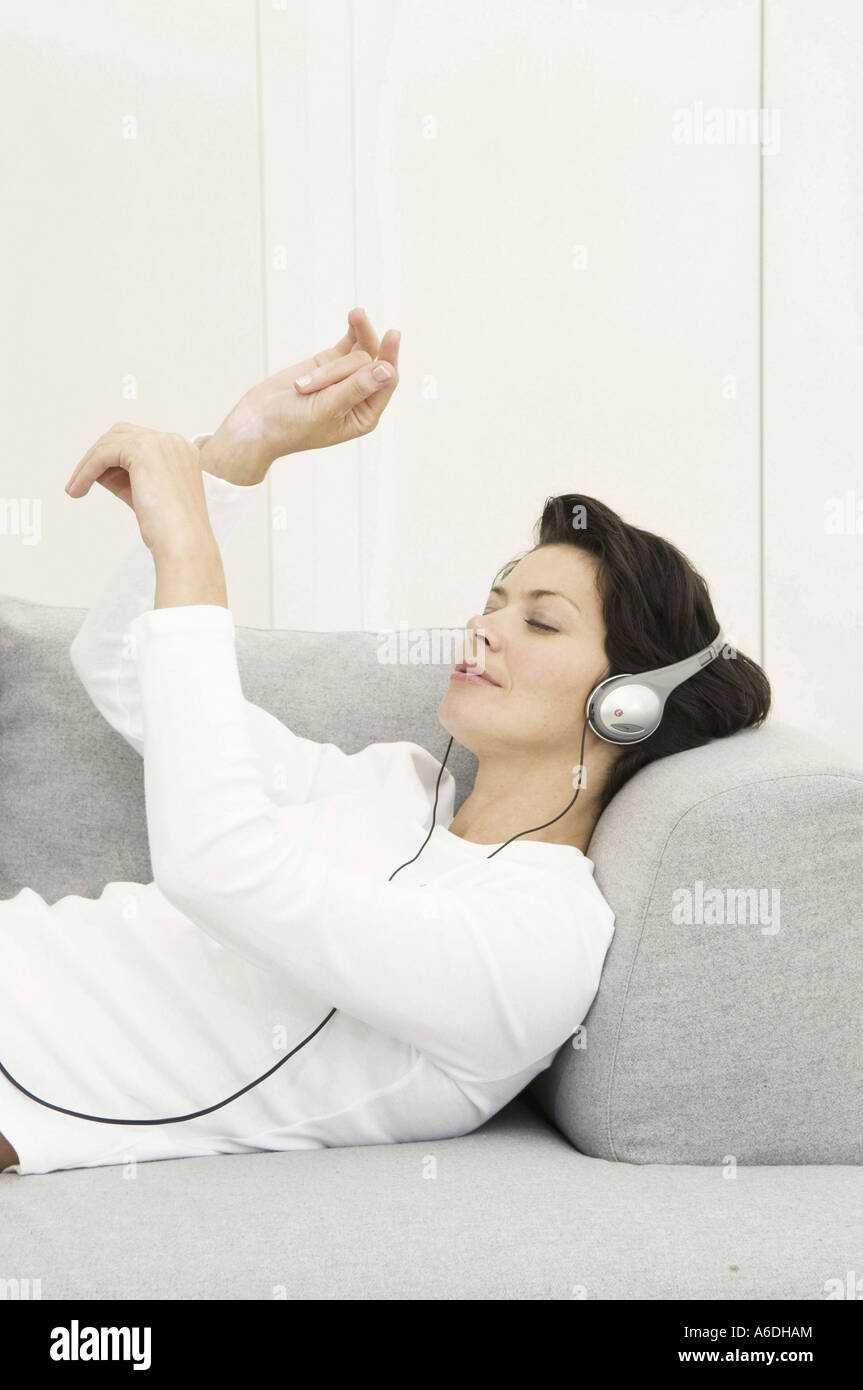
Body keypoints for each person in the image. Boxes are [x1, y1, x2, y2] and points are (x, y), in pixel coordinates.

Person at [0, 309, 770, 1176]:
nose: (482, 626)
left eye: (540, 623)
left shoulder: (539, 941)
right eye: (495, 598)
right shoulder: (398, 784)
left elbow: (215, 866)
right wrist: (237, 454)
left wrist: (189, 545)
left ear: (624, 706)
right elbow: (117, 666)